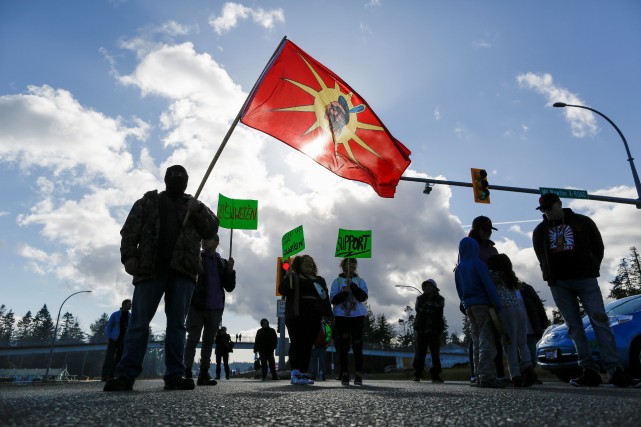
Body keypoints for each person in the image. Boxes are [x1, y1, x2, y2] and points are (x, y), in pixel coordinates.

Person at [104, 165, 219, 392]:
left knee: (177, 325)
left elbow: (212, 229)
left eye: (182, 178)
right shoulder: (147, 202)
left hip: (183, 271)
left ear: (187, 182)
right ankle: (126, 374)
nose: (178, 181)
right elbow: (129, 231)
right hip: (150, 269)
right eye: (173, 177)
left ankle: (175, 375)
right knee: (138, 324)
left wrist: (198, 210)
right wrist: (129, 257)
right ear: (165, 179)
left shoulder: (193, 206)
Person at [532, 193, 639, 387]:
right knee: (574, 327)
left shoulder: (582, 222)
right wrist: (550, 276)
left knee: (600, 322)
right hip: (559, 284)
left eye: (550, 208)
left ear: (559, 204)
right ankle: (589, 371)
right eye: (544, 210)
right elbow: (541, 255)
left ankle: (615, 371)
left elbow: (598, 246)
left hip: (585, 279)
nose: (547, 212)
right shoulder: (540, 231)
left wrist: (591, 267)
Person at [183, 234, 236, 386]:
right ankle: (186, 371)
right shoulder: (196, 257)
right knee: (192, 339)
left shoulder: (222, 262)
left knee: (207, 342)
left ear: (217, 242)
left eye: (208, 239)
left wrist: (230, 271)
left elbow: (229, 287)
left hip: (216, 308)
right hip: (198, 305)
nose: (203, 241)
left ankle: (204, 373)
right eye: (203, 239)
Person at [455, 237, 504, 388]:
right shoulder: (478, 264)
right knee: (486, 340)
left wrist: (464, 304)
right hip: (483, 304)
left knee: (476, 341)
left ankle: (477, 376)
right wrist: (498, 305)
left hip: (469, 306)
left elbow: (459, 290)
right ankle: (487, 376)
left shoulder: (459, 268)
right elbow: (488, 285)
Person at [279, 254, 332, 385]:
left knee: (308, 345)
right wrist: (287, 276)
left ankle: (303, 373)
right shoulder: (293, 276)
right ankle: (295, 373)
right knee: (297, 342)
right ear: (299, 265)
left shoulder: (319, 280)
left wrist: (329, 314)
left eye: (310, 262)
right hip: (296, 315)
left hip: (314, 316)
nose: (309, 264)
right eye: (305, 262)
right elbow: (282, 290)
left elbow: (325, 298)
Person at [466, 216, 506, 383]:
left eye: (490, 230)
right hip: (477, 297)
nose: (488, 233)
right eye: (485, 230)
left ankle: (495, 373)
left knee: (490, 336)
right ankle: (481, 374)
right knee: (482, 338)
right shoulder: (469, 248)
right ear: (476, 230)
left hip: (491, 294)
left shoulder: (492, 249)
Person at [487, 254, 537, 387]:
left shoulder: (493, 275)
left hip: (505, 310)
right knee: (522, 342)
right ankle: (528, 367)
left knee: (509, 343)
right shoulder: (511, 276)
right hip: (518, 309)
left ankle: (515, 374)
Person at [330, 258, 368, 386]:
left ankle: (358, 374)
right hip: (342, 317)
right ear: (342, 265)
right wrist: (344, 292)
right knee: (343, 346)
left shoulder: (360, 281)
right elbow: (334, 300)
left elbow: (363, 297)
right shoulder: (337, 281)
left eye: (354, 264)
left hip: (357, 316)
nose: (351, 266)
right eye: (348, 263)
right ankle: (345, 374)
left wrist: (353, 287)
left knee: (358, 345)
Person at [412, 279, 445, 383]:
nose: (427, 288)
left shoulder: (441, 299)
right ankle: (417, 374)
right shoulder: (419, 298)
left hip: (435, 330)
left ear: (435, 288)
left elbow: (438, 307)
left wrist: (427, 307)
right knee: (419, 354)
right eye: (425, 286)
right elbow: (419, 309)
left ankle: (435, 375)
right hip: (421, 330)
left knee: (435, 354)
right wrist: (430, 308)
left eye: (429, 286)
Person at [518, 281, 549, 367]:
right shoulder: (505, 291)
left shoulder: (526, 288)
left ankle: (531, 375)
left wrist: (544, 323)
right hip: (517, 330)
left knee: (532, 356)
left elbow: (538, 305)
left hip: (530, 328)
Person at [101, 299, 132, 381]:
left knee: (119, 359)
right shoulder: (115, 314)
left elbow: (131, 328)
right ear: (124, 305)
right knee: (109, 358)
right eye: (129, 304)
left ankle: (113, 375)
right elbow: (109, 326)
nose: (131, 306)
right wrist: (110, 337)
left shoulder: (130, 316)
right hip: (114, 339)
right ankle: (105, 375)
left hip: (123, 340)